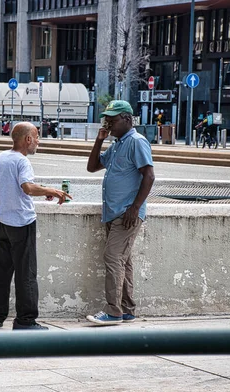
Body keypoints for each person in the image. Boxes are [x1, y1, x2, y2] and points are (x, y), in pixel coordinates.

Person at [0, 121, 71, 330]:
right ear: (28, 139)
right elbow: (27, 187)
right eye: (37, 137)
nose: (39, 142)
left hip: (3, 220)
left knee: (2, 270)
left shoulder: (1, 157)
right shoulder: (22, 162)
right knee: (27, 273)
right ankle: (25, 320)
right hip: (21, 222)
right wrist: (53, 191)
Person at [85, 100, 155, 326]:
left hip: (126, 213)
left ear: (127, 119)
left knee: (113, 257)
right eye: (107, 120)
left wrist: (135, 208)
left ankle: (113, 312)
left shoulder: (136, 142)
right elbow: (92, 167)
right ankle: (127, 309)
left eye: (112, 120)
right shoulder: (116, 145)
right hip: (113, 212)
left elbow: (149, 176)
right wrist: (99, 140)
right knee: (123, 261)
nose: (109, 124)